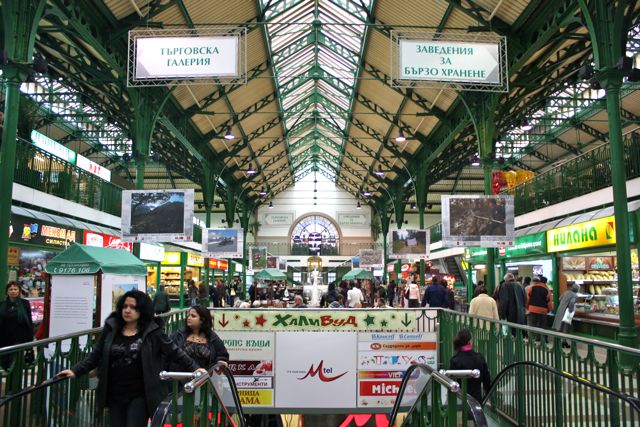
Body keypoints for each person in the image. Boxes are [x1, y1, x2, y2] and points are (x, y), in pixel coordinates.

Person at [57, 290, 206, 427]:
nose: (127, 310)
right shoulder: (112, 329)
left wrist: (195, 368)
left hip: (140, 394)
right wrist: (75, 371)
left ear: (142, 310)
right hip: (114, 393)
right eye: (125, 306)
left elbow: (175, 352)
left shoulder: (152, 332)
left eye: (133, 307)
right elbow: (96, 355)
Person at [170, 305, 228, 370]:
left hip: (205, 377)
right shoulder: (179, 334)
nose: (189, 318)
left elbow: (222, 355)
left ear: (202, 320)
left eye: (193, 316)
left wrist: (219, 362)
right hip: (181, 377)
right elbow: (168, 353)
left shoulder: (212, 337)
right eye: (188, 315)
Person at [449, 329, 491, 403]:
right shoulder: (480, 358)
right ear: (470, 342)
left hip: (459, 400)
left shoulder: (455, 360)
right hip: (476, 401)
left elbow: (451, 382)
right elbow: (487, 381)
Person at [0, 282, 34, 369]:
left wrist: (30, 341)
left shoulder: (24, 303)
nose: (13, 291)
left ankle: (15, 381)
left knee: (15, 362)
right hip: (4, 338)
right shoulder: (2, 305)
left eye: (15, 289)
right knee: (5, 363)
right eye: (10, 289)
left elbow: (29, 321)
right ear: (7, 291)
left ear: (19, 291)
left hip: (19, 338)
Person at [552, 283, 580, 348]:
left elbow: (559, 299)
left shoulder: (566, 292)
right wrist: (571, 311)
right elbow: (572, 303)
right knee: (565, 328)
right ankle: (563, 342)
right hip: (566, 312)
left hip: (560, 310)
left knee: (559, 327)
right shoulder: (575, 295)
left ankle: (559, 342)